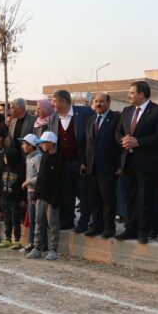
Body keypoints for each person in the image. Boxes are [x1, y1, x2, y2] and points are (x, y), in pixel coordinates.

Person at [114, 81, 158, 244]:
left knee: (145, 198)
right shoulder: (126, 111)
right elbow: (118, 132)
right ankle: (130, 228)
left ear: (141, 94)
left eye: (131, 93)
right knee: (130, 197)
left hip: (147, 163)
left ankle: (143, 231)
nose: (128, 96)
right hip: (128, 161)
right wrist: (123, 140)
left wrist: (138, 142)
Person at [50, 89, 93, 232]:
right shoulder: (53, 118)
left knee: (84, 194)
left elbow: (91, 137)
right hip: (63, 162)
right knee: (66, 193)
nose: (52, 104)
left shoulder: (85, 112)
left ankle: (84, 222)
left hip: (80, 161)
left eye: (54, 101)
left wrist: (86, 160)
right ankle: (67, 221)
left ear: (63, 101)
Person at [82, 92, 121, 238]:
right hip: (91, 167)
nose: (98, 104)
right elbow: (86, 144)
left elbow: (120, 145)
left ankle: (109, 228)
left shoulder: (117, 119)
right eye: (96, 101)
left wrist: (119, 165)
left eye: (102, 101)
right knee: (94, 199)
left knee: (108, 200)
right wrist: (83, 163)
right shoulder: (91, 120)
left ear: (109, 102)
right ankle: (97, 226)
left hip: (109, 167)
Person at [27, 131, 63, 261]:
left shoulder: (59, 158)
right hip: (40, 196)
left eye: (44, 142)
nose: (41, 145)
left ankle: (53, 249)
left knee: (52, 223)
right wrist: (36, 195)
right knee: (38, 222)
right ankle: (37, 247)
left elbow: (59, 180)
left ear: (51, 143)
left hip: (51, 197)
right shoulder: (44, 157)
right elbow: (41, 177)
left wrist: (55, 199)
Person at [20, 133, 42, 253]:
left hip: (35, 192)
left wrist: (28, 181)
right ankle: (32, 242)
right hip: (30, 191)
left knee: (36, 219)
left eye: (25, 144)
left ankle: (36, 243)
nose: (23, 146)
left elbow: (41, 175)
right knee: (32, 219)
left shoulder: (38, 157)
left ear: (31, 145)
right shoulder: (29, 157)